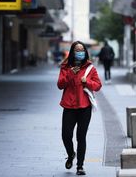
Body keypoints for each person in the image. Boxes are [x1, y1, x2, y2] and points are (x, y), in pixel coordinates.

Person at [57, 41, 102, 175]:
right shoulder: (65, 67)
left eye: (82, 50)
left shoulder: (90, 68)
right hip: (69, 106)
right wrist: (70, 74)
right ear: (72, 52)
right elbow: (60, 85)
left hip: (84, 107)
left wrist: (86, 81)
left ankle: (80, 166)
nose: (79, 52)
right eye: (77, 50)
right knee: (66, 135)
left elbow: (98, 85)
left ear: (85, 52)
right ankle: (71, 154)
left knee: (81, 137)